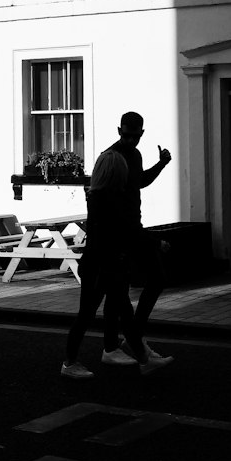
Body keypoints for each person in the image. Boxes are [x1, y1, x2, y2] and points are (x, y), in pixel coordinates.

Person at [61, 150, 153, 378]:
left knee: (118, 312)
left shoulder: (97, 197)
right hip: (102, 267)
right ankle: (69, 363)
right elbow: (121, 232)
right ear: (117, 174)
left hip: (100, 265)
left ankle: (143, 359)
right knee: (89, 316)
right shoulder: (108, 200)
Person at [103, 110, 174, 365]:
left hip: (134, 226)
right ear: (119, 130)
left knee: (131, 287)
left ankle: (126, 341)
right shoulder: (111, 157)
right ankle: (124, 343)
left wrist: (161, 164)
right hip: (123, 231)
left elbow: (139, 182)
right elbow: (111, 201)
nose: (131, 140)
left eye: (136, 136)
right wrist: (152, 240)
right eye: (127, 135)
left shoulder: (135, 154)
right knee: (121, 290)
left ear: (141, 134)